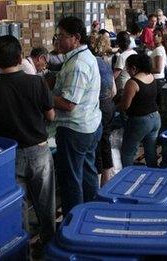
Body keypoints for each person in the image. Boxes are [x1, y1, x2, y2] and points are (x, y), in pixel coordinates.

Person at [0, 35, 56, 249]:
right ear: (20, 57)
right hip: (39, 152)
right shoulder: (37, 82)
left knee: (17, 208)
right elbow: (51, 116)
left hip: (8, 156)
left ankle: (22, 250)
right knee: (45, 204)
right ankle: (50, 247)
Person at [52, 17, 102, 216]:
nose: (58, 41)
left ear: (76, 38)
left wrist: (43, 94)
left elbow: (68, 104)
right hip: (89, 125)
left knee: (71, 178)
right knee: (88, 172)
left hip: (75, 130)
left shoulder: (78, 64)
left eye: (62, 36)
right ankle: (91, 213)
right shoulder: (80, 57)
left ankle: (73, 220)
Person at [117, 54, 161, 167]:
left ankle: (127, 175)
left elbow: (125, 106)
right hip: (155, 118)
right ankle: (154, 174)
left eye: (127, 68)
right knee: (150, 151)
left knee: (127, 152)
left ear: (134, 68)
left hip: (140, 121)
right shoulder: (151, 76)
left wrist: (114, 106)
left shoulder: (132, 83)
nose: (127, 71)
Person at [93, 50, 116, 186]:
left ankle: (95, 183)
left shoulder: (86, 64)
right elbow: (114, 91)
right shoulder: (105, 63)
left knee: (95, 146)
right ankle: (105, 184)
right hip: (108, 105)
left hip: (97, 107)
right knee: (105, 143)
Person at [114, 31, 137, 98]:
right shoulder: (134, 53)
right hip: (133, 84)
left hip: (122, 86)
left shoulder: (121, 57)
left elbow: (115, 74)